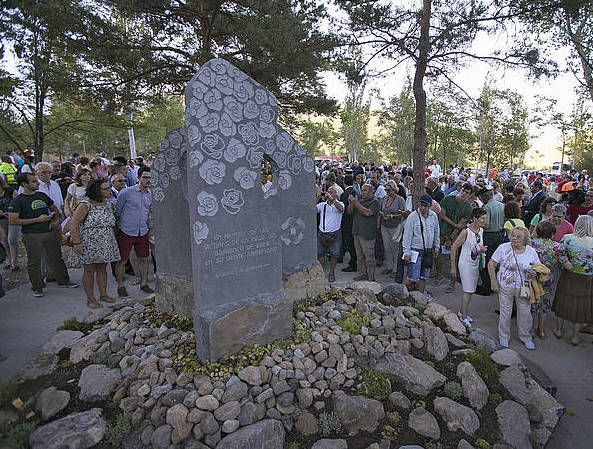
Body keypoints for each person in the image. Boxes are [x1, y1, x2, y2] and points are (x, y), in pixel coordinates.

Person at [7, 173, 78, 297]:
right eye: (34, 181)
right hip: (31, 234)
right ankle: (37, 287)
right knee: (34, 262)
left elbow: (55, 209)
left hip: (49, 232)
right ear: (24, 184)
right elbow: (13, 220)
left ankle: (63, 280)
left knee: (57, 258)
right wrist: (36, 220)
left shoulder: (41, 195)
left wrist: (55, 220)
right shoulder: (18, 200)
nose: (38, 183)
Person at [69, 179, 121, 308]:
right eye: (106, 188)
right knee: (89, 270)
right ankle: (90, 299)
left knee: (102, 269)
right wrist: (77, 243)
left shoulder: (108, 204)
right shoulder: (85, 204)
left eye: (109, 188)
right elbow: (74, 224)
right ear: (97, 190)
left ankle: (103, 294)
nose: (109, 190)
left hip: (106, 242)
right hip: (89, 243)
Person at [488, 226, 540, 350]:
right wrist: (493, 281)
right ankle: (504, 337)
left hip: (524, 287)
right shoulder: (503, 248)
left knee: (525, 313)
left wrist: (534, 273)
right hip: (505, 286)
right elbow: (491, 264)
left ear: (525, 239)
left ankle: (526, 337)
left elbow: (538, 268)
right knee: (505, 312)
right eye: (513, 235)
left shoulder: (531, 251)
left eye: (518, 237)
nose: (514, 238)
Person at [552, 215, 593, 345]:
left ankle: (558, 330)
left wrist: (566, 263)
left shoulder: (568, 238)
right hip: (587, 278)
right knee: (582, 305)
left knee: (562, 300)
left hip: (569, 274)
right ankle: (575, 337)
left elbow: (559, 252)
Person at [115, 166, 153, 298]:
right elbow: (117, 211)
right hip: (126, 231)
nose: (148, 180)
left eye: (150, 178)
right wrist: (119, 228)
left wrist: (150, 229)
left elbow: (150, 212)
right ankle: (120, 285)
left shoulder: (150, 194)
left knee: (144, 259)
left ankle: (144, 283)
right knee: (122, 260)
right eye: (145, 177)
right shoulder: (126, 193)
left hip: (142, 231)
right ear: (138, 178)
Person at [450, 208, 487, 327]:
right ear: (475, 218)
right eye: (482, 218)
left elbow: (477, 245)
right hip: (465, 264)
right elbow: (454, 247)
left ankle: (462, 312)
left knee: (471, 290)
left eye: (485, 218)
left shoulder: (481, 230)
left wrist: (481, 250)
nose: (484, 220)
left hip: (475, 263)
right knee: (467, 290)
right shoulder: (466, 232)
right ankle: (463, 316)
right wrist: (453, 267)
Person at [439, 182, 473, 292]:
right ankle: (439, 276)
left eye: (467, 193)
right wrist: (454, 225)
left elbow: (461, 224)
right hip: (442, 230)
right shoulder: (448, 199)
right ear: (460, 189)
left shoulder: (468, 207)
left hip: (455, 235)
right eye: (463, 190)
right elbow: (442, 215)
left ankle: (452, 282)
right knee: (438, 255)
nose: (464, 194)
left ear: (470, 195)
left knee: (454, 258)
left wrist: (450, 237)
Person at [530, 220, 562, 339]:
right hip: (548, 278)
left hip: (533, 277)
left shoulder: (532, 244)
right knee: (544, 305)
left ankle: (530, 330)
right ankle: (541, 330)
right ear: (552, 234)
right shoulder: (556, 247)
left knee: (532, 302)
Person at [402, 194, 440, 293]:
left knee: (424, 277)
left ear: (430, 206)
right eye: (421, 205)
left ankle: (420, 297)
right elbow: (407, 235)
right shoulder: (412, 217)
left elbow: (436, 232)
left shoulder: (433, 216)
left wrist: (436, 247)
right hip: (415, 250)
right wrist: (406, 252)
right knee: (411, 277)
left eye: (425, 206)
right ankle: (401, 293)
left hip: (428, 250)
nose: (422, 208)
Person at [349, 183, 380, 282]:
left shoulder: (375, 202)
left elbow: (367, 212)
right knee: (360, 256)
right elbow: (349, 212)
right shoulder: (360, 201)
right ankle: (363, 274)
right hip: (357, 232)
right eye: (362, 190)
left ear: (371, 191)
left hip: (367, 234)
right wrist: (350, 203)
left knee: (369, 257)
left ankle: (371, 277)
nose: (362, 192)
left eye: (365, 190)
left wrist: (356, 203)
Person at [479, 186, 505, 294]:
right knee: (495, 261)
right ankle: (494, 284)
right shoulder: (500, 205)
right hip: (499, 234)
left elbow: (486, 225)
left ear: (486, 196)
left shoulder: (486, 207)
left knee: (486, 261)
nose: (481, 199)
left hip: (489, 235)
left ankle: (486, 287)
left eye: (482, 197)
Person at [379, 180, 406, 277]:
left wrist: (392, 216)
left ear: (394, 189)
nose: (387, 192)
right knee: (387, 247)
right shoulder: (384, 199)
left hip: (395, 226)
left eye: (389, 190)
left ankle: (395, 269)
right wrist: (382, 214)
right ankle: (389, 266)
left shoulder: (400, 200)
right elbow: (380, 209)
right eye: (386, 190)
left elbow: (403, 214)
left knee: (395, 248)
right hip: (384, 225)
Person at [316, 186, 344, 282]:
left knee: (334, 254)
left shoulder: (340, 203)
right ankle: (322, 273)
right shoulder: (322, 205)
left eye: (331, 192)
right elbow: (312, 210)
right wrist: (318, 197)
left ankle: (332, 273)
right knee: (320, 254)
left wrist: (333, 200)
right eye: (328, 192)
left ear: (336, 194)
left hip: (334, 234)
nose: (329, 194)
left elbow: (341, 209)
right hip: (322, 233)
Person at [0, 177, 19, 270]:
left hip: (13, 218)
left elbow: (18, 203)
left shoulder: (10, 191)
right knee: (4, 240)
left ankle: (14, 261)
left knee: (12, 239)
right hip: (1, 219)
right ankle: (9, 258)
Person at [340, 174, 357, 273]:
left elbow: (344, 210)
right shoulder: (355, 191)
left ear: (344, 182)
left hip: (347, 222)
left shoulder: (345, 194)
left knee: (350, 244)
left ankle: (353, 263)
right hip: (353, 221)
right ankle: (353, 262)